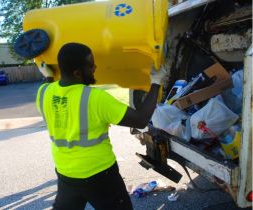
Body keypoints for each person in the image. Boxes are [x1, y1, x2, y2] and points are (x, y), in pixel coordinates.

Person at [36, 43, 167, 210]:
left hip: (66, 173)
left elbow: (57, 92)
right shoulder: (95, 98)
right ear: (77, 72)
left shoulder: (43, 92)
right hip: (100, 175)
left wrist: (49, 76)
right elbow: (141, 120)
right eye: (91, 65)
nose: (95, 68)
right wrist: (156, 82)